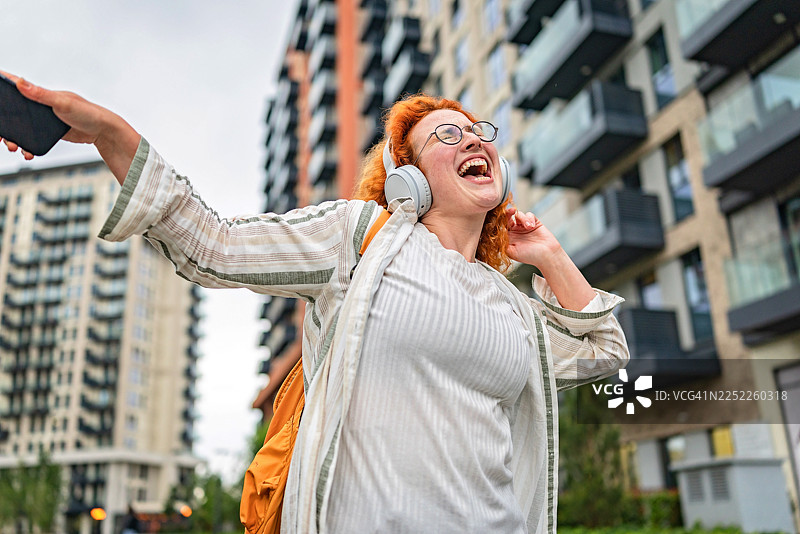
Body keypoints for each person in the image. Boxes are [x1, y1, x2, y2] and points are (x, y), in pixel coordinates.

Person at [1, 73, 629, 534]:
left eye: (479, 133)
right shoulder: (361, 240)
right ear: (406, 176)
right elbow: (212, 245)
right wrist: (114, 133)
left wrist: (547, 255)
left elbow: (603, 351)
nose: (473, 141)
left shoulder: (507, 304)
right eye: (447, 136)